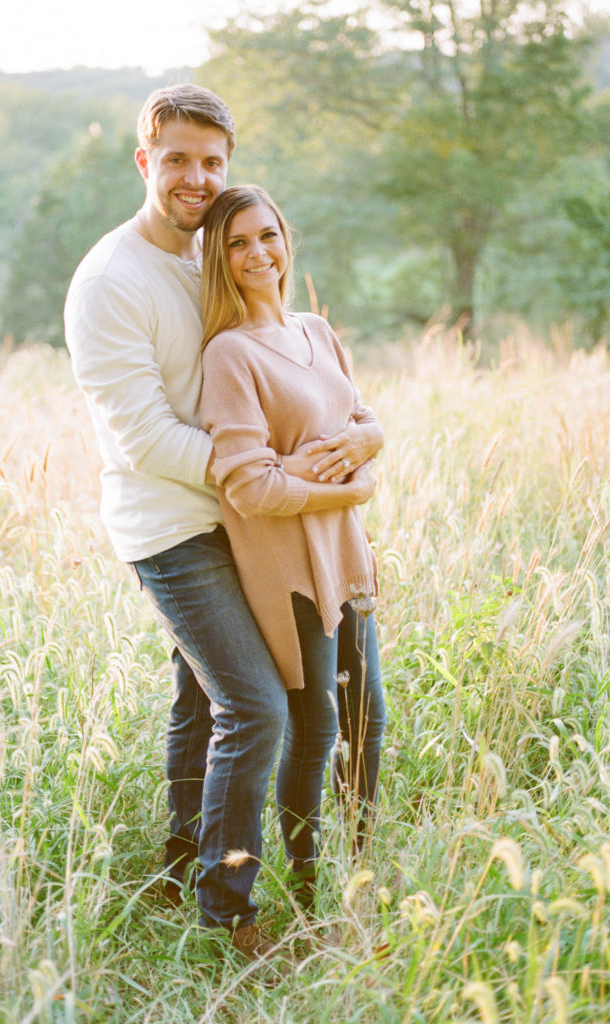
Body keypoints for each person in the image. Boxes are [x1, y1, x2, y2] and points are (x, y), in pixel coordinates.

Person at [64, 85, 380, 966]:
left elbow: (282, 372)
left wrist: (336, 445)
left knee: (204, 698)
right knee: (255, 704)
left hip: (249, 521)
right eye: (177, 160)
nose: (196, 178)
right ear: (144, 162)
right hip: (173, 526)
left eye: (212, 162)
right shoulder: (110, 281)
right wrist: (266, 476)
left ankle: (177, 865)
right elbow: (140, 435)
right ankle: (225, 911)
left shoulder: (214, 249)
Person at [199, 184, 387, 897]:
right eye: (237, 244)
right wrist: (350, 486)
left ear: (285, 240)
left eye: (266, 236)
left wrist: (370, 438)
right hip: (290, 569)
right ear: (220, 259)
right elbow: (249, 488)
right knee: (315, 728)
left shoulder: (314, 329)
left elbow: (361, 416)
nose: (257, 254)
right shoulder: (228, 355)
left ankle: (357, 864)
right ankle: (309, 884)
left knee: (369, 720)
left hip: (347, 557)